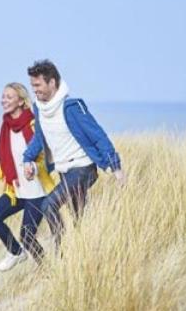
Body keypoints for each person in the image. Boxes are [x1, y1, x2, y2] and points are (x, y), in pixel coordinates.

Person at [23, 60, 125, 247]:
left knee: (49, 205)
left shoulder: (72, 108)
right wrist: (27, 158)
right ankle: (85, 250)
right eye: (32, 85)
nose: (34, 90)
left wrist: (116, 166)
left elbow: (98, 135)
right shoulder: (39, 109)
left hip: (83, 168)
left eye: (38, 85)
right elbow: (39, 137)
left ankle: (61, 252)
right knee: (79, 218)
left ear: (52, 83)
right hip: (64, 171)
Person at [0, 83, 56, 271]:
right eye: (3, 96)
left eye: (9, 97)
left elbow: (48, 158)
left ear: (21, 101)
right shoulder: (7, 126)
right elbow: (9, 159)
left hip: (37, 191)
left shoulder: (33, 124)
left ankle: (47, 271)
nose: (4, 100)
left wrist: (34, 169)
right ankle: (15, 252)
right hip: (16, 190)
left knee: (27, 237)